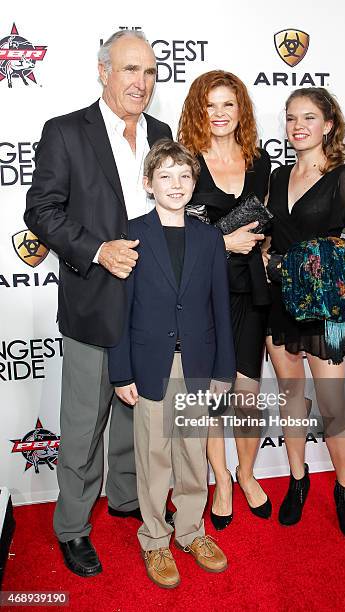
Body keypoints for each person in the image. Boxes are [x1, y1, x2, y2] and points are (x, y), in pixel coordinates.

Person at [24, 30, 173, 577]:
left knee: (141, 413)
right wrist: (97, 250)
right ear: (103, 70)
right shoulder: (65, 132)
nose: (142, 82)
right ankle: (72, 528)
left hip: (152, 304)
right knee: (85, 423)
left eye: (151, 72)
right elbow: (40, 209)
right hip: (94, 298)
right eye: (131, 69)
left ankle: (127, 497)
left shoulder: (161, 132)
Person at [108, 139, 236, 589]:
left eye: (184, 176)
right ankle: (156, 540)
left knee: (190, 453)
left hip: (198, 364)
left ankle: (191, 531)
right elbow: (119, 309)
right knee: (154, 456)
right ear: (148, 183)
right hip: (149, 365)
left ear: (194, 182)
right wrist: (121, 371)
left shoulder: (209, 237)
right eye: (165, 176)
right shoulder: (132, 233)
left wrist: (224, 371)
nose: (176, 184)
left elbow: (221, 307)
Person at [264, 87, 345, 539]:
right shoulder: (275, 177)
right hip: (281, 302)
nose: (298, 126)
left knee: (332, 406)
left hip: (327, 306)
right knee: (292, 397)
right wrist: (268, 258)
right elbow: (271, 237)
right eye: (291, 118)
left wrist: (320, 251)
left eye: (309, 118)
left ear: (328, 125)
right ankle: (297, 479)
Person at [178, 70, 272, 529]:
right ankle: (220, 479)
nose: (219, 114)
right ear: (199, 110)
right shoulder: (188, 163)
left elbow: (269, 230)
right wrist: (222, 242)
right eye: (210, 105)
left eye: (228, 105)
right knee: (215, 395)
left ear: (241, 110)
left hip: (252, 290)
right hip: (206, 292)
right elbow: (177, 237)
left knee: (248, 393)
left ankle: (247, 473)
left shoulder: (260, 161)